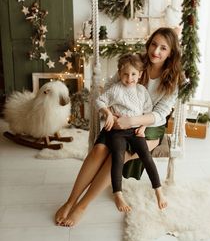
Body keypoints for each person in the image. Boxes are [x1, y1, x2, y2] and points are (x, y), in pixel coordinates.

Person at [55, 27, 184, 227]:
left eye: (163, 48)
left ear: (171, 53)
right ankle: (70, 201)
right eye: (153, 44)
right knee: (99, 149)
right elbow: (110, 90)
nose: (156, 51)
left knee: (120, 155)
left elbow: (161, 113)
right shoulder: (135, 63)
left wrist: (134, 122)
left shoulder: (172, 79)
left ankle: (82, 206)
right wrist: (111, 112)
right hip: (119, 118)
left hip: (150, 126)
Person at [96, 53, 164, 212]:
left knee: (146, 155)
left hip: (135, 131)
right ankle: (117, 193)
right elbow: (99, 100)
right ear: (119, 73)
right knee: (118, 156)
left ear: (140, 74)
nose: (129, 78)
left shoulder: (141, 91)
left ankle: (158, 190)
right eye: (125, 74)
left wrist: (144, 126)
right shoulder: (115, 89)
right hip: (118, 131)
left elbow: (147, 111)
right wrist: (108, 113)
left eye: (133, 74)